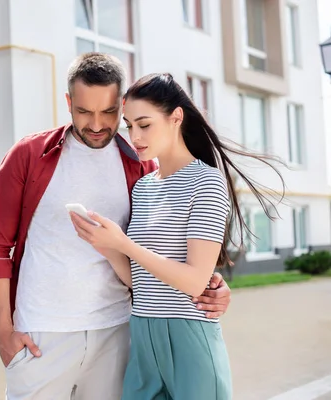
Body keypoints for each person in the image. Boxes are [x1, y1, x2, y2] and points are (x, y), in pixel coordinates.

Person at [0, 53, 233, 400]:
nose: (97, 124)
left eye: (110, 113)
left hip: (119, 334)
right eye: (84, 112)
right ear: (68, 103)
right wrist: (3, 331)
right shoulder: (29, 155)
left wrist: (212, 284)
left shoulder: (139, 167)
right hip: (42, 335)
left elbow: (168, 256)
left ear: (121, 104)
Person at [69, 72, 284, 399]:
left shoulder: (207, 183)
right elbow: (140, 280)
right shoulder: (143, 187)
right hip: (141, 335)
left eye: (144, 124)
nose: (135, 136)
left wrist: (123, 244)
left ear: (176, 118)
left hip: (189, 339)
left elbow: (195, 281)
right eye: (129, 126)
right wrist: (109, 248)